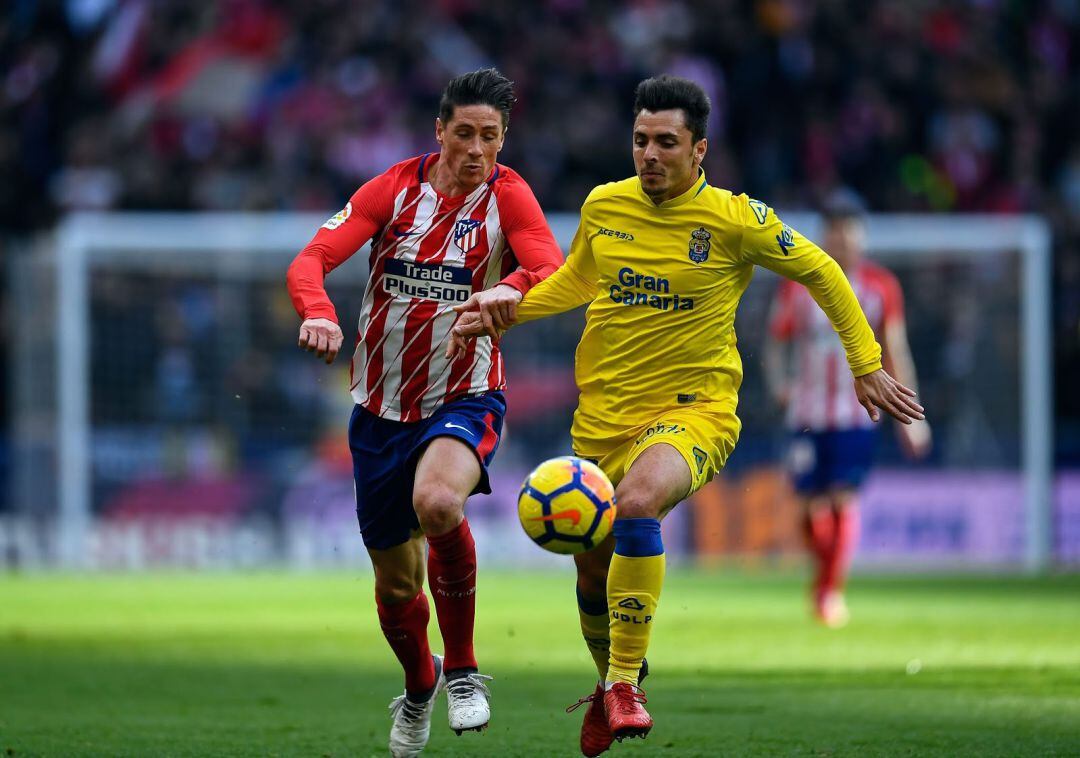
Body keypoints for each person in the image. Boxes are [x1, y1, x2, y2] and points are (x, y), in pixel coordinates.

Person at [447, 75, 924, 755]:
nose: (649, 154)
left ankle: (621, 684)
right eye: (640, 140)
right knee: (591, 570)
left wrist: (866, 361)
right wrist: (509, 306)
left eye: (665, 142)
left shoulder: (734, 220)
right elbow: (578, 282)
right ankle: (612, 682)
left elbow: (821, 269)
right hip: (602, 419)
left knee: (638, 502)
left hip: (694, 412)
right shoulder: (605, 206)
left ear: (698, 150)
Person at [286, 68, 562, 757]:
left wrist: (515, 288)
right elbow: (312, 258)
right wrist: (318, 313)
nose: (476, 149)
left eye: (489, 137)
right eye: (464, 133)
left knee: (439, 502)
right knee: (396, 584)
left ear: (503, 139)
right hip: (378, 410)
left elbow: (550, 266)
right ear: (439, 131)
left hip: (465, 394)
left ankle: (465, 670)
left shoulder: (510, 196)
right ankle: (420, 685)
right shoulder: (393, 188)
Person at [764, 196, 931, 627]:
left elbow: (896, 351)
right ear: (823, 235)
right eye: (833, 229)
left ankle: (827, 592)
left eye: (847, 229)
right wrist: (779, 382)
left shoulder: (881, 286)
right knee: (807, 508)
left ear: (861, 235)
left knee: (842, 498)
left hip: (859, 413)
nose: (840, 238)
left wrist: (913, 418)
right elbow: (775, 343)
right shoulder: (795, 285)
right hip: (805, 413)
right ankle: (826, 577)